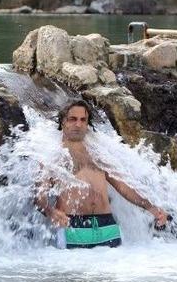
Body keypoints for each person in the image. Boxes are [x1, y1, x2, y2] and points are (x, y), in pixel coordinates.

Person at [35, 99, 169, 249]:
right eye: (72, 119)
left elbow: (123, 187)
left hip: (108, 227)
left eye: (83, 120)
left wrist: (151, 208)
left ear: (87, 124)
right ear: (63, 122)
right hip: (72, 226)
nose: (78, 124)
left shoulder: (98, 154)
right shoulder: (52, 156)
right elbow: (39, 197)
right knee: (74, 273)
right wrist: (50, 211)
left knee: (114, 272)